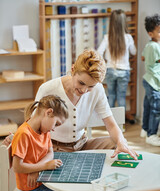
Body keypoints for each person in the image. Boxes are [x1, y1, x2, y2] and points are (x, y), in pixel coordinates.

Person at [3, 49, 138, 159]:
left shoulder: (97, 90)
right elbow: (33, 125)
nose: (84, 90)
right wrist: (17, 137)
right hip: (53, 149)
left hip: (83, 145)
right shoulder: (48, 89)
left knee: (117, 143)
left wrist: (121, 143)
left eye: (90, 86)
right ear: (73, 70)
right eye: (81, 83)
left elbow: (111, 124)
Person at [11, 95, 69, 191]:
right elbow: (17, 167)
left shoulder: (44, 130)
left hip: (42, 178)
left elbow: (50, 152)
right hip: (32, 187)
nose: (54, 129)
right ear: (49, 112)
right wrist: (44, 166)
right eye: (56, 123)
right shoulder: (24, 134)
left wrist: (36, 170)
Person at [98, 9, 136, 108]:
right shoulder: (128, 37)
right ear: (124, 22)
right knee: (121, 97)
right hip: (124, 71)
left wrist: (105, 62)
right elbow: (134, 52)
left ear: (112, 22)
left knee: (111, 96)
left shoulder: (107, 37)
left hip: (110, 69)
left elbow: (98, 53)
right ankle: (121, 123)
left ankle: (110, 123)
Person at [140, 14, 160, 146]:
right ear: (151, 33)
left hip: (148, 80)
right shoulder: (155, 47)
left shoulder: (149, 45)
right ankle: (151, 134)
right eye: (159, 31)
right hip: (154, 82)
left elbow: (142, 58)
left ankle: (144, 129)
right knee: (156, 109)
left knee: (148, 107)